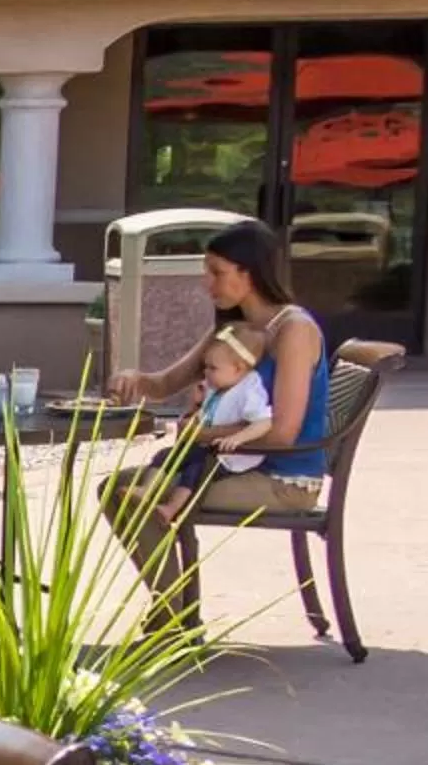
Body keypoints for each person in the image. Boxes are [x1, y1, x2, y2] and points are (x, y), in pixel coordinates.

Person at [107, 218, 331, 617]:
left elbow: (283, 433)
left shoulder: (294, 330)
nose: (207, 282)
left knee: (142, 498)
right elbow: (163, 384)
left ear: (250, 273)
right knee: (117, 489)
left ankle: (172, 619)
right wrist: (132, 379)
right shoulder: (235, 330)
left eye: (217, 272)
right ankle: (176, 612)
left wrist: (203, 434)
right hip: (227, 465)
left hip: (282, 479)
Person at [190, 323, 273, 472]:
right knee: (163, 455)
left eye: (212, 368)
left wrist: (237, 438)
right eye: (205, 366)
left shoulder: (249, 390)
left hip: (230, 456)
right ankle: (146, 488)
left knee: (193, 472)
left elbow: (265, 421)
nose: (206, 372)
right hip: (208, 449)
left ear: (238, 368)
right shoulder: (217, 386)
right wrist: (197, 405)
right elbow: (206, 417)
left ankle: (179, 496)